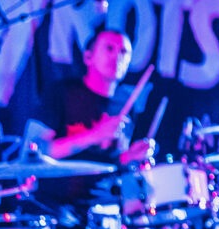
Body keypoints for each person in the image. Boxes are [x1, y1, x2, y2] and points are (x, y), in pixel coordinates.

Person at [42, 26, 155, 166]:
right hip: (60, 186)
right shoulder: (62, 92)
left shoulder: (126, 104)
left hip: (106, 187)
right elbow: (38, 152)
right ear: (88, 57)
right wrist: (95, 135)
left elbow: (112, 161)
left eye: (124, 52)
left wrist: (129, 156)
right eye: (109, 48)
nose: (117, 57)